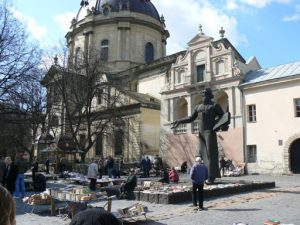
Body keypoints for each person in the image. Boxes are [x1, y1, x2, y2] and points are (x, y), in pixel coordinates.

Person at [172, 88, 229, 184]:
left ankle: (211, 176)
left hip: (210, 131)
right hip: (201, 132)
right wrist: (179, 121)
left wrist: (220, 125)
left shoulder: (215, 105)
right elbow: (191, 118)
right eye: (203, 95)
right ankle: (206, 175)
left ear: (210, 96)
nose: (204, 96)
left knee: (211, 154)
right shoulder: (198, 107)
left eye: (205, 94)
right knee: (203, 154)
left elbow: (224, 117)